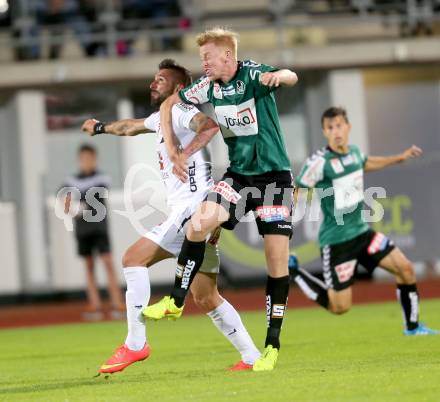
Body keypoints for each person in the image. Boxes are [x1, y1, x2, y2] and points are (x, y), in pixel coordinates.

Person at [81, 58, 261, 374]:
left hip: (190, 211)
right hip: (195, 218)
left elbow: (208, 125)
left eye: (161, 79)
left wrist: (183, 153)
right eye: (154, 78)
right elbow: (129, 127)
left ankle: (136, 345)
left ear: (179, 88)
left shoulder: (180, 111)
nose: (154, 83)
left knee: (132, 259)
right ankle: (252, 357)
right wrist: (100, 128)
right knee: (206, 297)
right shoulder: (161, 118)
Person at [144, 27, 298, 371]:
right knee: (198, 224)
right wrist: (175, 148)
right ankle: (175, 300)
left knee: (276, 264)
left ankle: (271, 346)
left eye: (208, 57)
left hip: (273, 179)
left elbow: (290, 75)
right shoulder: (207, 86)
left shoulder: (254, 74)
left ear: (227, 55)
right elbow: (172, 102)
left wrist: (281, 77)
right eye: (201, 58)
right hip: (239, 176)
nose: (204, 63)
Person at [290, 106, 438, 335]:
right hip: (337, 242)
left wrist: (399, 158)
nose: (336, 131)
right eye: (330, 128)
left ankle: (413, 327)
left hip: (363, 234)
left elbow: (365, 163)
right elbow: (298, 187)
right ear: (324, 132)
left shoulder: (354, 153)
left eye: (339, 125)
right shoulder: (319, 162)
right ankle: (296, 271)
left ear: (348, 127)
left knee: (406, 269)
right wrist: (286, 218)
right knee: (340, 307)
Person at [62, 144, 124, 320]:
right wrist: (72, 209)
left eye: (90, 158)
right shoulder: (71, 181)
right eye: (83, 158)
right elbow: (66, 203)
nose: (86, 162)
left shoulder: (102, 178)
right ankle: (95, 304)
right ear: (79, 160)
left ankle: (116, 302)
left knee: (108, 262)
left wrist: (84, 206)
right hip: (83, 229)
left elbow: (97, 198)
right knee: (89, 265)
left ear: (95, 159)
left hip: (99, 227)